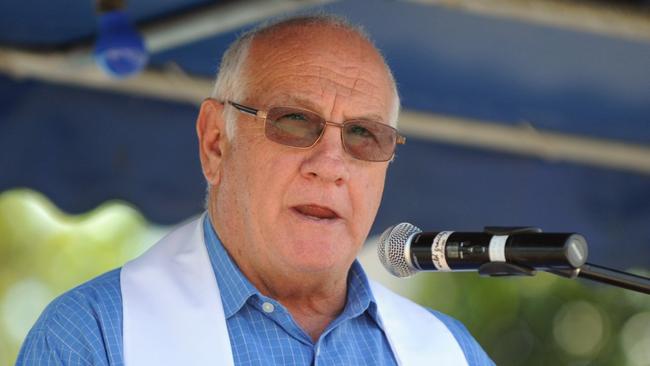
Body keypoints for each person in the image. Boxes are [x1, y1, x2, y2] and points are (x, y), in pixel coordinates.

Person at [17, 14, 494, 365]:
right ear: (216, 143)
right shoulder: (93, 339)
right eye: (293, 121)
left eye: (363, 136)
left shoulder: (450, 352)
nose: (330, 166)